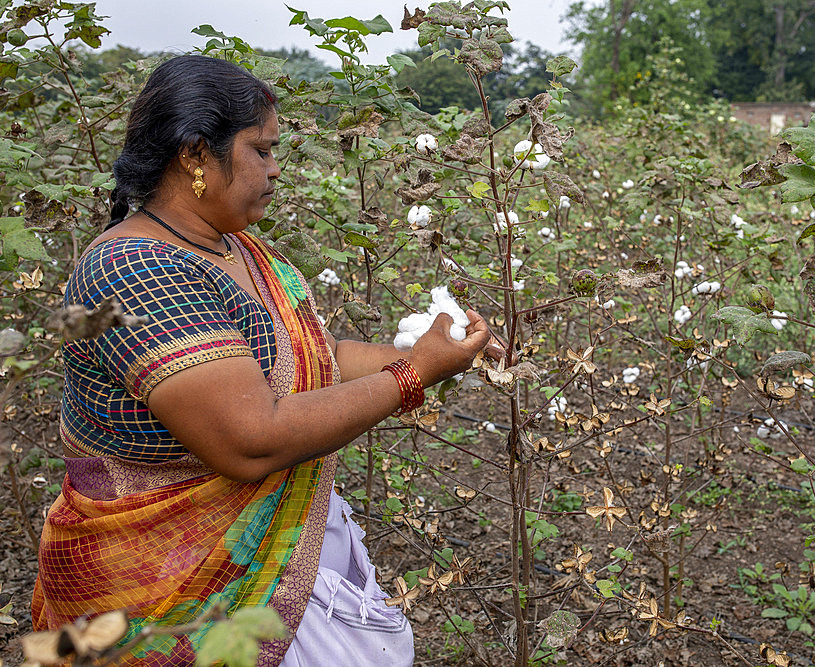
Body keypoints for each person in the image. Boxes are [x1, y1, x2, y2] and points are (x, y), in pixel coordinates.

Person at [31, 54, 493, 666]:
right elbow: (250, 441)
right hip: (170, 591)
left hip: (269, 559)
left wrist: (435, 352)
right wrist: (412, 374)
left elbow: (314, 358)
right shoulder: (135, 271)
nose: (276, 170)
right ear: (195, 155)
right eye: (261, 150)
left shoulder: (239, 250)